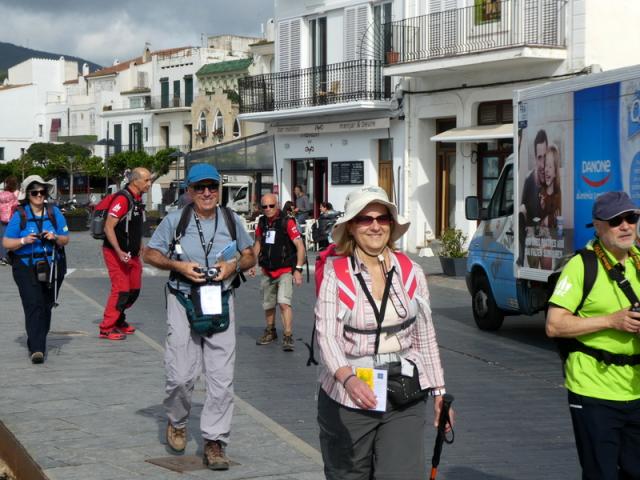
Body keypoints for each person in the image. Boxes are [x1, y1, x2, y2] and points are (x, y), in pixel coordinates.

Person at [314, 185, 453, 479]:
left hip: (405, 390)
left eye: (383, 218)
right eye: (365, 219)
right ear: (351, 227)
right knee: (348, 474)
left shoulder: (411, 271)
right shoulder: (336, 275)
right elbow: (327, 336)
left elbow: (425, 336)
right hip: (350, 395)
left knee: (402, 474)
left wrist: (440, 392)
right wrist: (348, 379)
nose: (375, 226)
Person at [143, 163, 255, 470]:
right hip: (183, 299)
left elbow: (250, 255)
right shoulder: (175, 220)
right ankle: (177, 420)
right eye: (200, 188)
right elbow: (149, 254)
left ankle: (215, 441)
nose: (207, 193)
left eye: (212, 187)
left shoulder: (231, 219)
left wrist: (232, 266)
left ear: (219, 190)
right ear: (189, 191)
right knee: (180, 374)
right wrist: (179, 267)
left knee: (221, 377)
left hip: (221, 300)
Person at [546, 191, 640, 479]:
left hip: (636, 389)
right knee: (601, 473)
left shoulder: (639, 261)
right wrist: (611, 321)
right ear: (598, 226)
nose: (625, 226)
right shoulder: (581, 266)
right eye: (615, 221)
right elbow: (554, 325)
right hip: (593, 390)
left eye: (631, 218)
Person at [2, 175, 69, 364]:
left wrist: (54, 236)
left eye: (42, 192)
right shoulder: (20, 215)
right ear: (28, 195)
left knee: (46, 305)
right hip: (25, 266)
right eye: (35, 192)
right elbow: (6, 242)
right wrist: (24, 240)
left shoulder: (54, 212)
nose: (39, 195)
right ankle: (37, 348)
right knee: (33, 304)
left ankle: (38, 339)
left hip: (52, 264)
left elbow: (65, 239)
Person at [99, 167, 151, 341]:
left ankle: (119, 320)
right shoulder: (123, 199)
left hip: (132, 253)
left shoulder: (137, 200)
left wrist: (140, 245)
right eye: (146, 180)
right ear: (135, 181)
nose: (149, 184)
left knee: (133, 290)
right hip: (116, 253)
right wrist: (119, 251)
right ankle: (106, 327)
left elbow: (135, 228)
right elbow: (108, 227)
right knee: (121, 289)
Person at [251, 193, 306, 351]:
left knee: (283, 302)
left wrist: (298, 270)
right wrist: (252, 264)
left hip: (285, 270)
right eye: (265, 206)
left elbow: (300, 246)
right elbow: (258, 244)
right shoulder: (262, 222)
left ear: (278, 205)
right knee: (268, 304)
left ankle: (288, 335)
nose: (268, 209)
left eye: (271, 206)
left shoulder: (287, 222)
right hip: (267, 269)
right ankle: (270, 331)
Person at [518, 129, 548, 267]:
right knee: (534, 272)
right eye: (539, 157)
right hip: (532, 237)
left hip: (547, 236)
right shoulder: (529, 180)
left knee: (548, 271)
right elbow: (522, 209)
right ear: (535, 158)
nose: (542, 163)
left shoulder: (552, 179)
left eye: (545, 156)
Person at [539, 144, 562, 270]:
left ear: (555, 171)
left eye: (550, 166)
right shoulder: (541, 192)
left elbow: (556, 219)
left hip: (552, 240)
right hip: (541, 238)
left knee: (546, 248)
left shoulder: (557, 195)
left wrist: (547, 219)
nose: (546, 169)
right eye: (545, 165)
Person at [0, 175, 19, 265]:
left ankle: (2, 256)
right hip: (11, 219)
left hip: (2, 219)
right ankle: (9, 256)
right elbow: (16, 206)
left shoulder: (1, 195)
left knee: (2, 237)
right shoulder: (14, 195)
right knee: (12, 237)